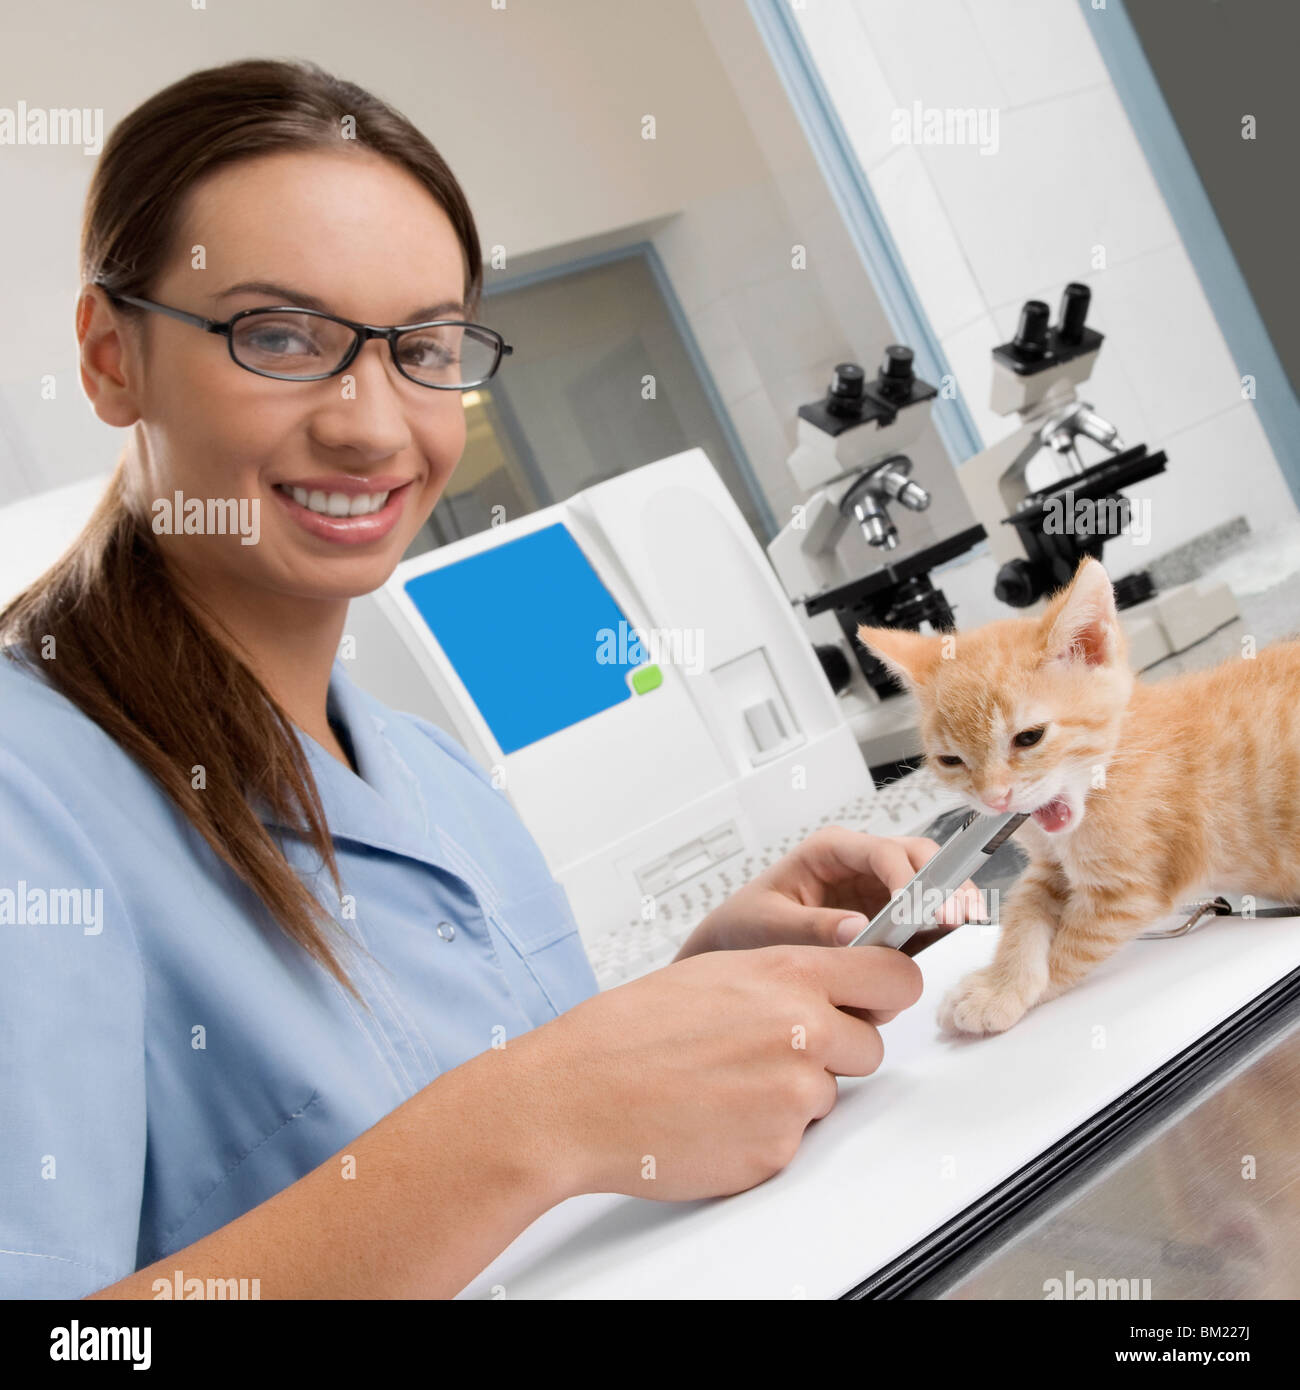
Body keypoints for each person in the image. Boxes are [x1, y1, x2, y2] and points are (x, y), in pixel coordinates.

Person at [0, 58, 979, 1300]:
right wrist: (541, 1113)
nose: (370, 423)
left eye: (424, 347)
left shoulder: (425, 768)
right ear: (109, 359)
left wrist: (683, 1013)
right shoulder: (28, 802)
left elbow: (480, 1179)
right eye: (280, 336)